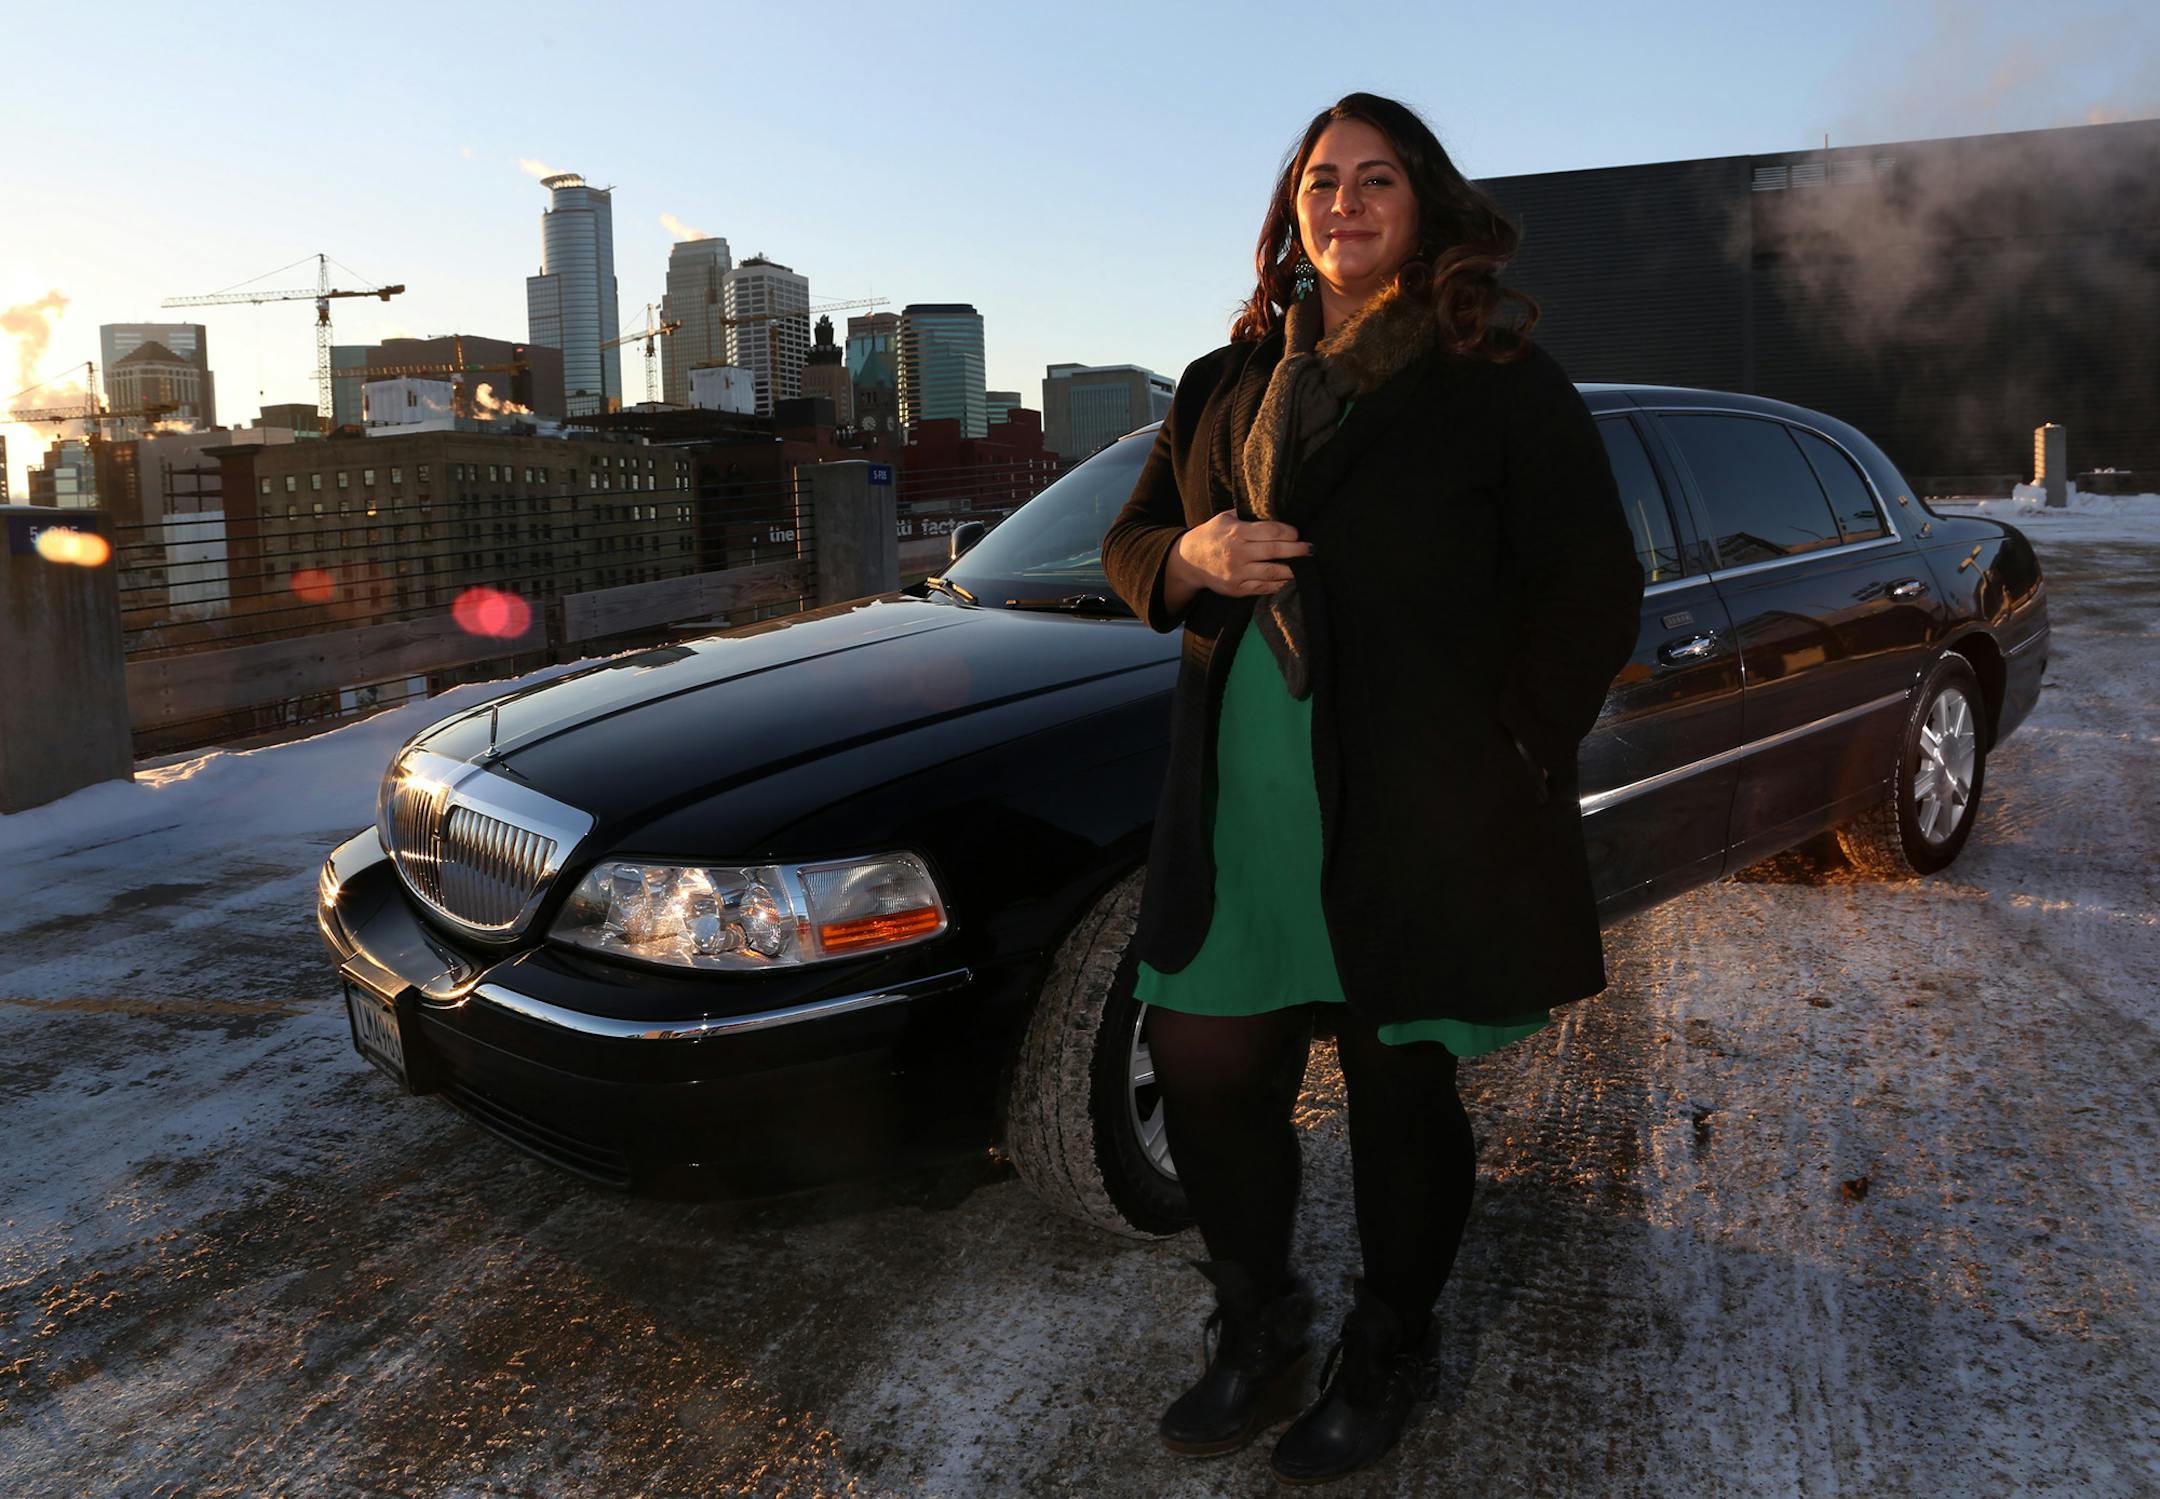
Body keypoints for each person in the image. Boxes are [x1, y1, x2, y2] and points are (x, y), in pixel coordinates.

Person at [1099, 92, 1644, 1485]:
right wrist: (1191, 559)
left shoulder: (1497, 375)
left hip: (1417, 808)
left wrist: (1515, 744)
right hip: (1240, 803)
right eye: (1321, 181)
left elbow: (1592, 586)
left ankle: (1390, 1344)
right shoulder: (1221, 385)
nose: (1344, 203)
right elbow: (1130, 541)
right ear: (1294, 213)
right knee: (1210, 1068)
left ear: (1427, 205)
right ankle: (1259, 1318)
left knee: (1403, 1093)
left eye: (1376, 179)